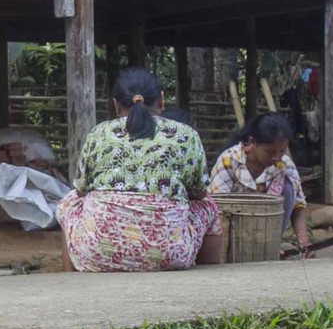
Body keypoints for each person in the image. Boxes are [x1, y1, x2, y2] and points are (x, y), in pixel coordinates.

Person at [59, 67, 221, 272]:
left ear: (116, 105)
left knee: (68, 203)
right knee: (209, 206)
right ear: (161, 100)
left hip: (98, 253)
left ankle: (68, 278)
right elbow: (200, 193)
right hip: (169, 254)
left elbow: (81, 190)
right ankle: (212, 274)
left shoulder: (98, 133)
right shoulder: (186, 134)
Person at [208, 113, 312, 255]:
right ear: (253, 143)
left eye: (281, 151)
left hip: (268, 233)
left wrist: (304, 244)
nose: (276, 157)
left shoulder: (284, 164)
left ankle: (271, 244)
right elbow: (217, 207)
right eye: (270, 152)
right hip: (233, 232)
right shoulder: (229, 161)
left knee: (289, 187)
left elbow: (297, 208)